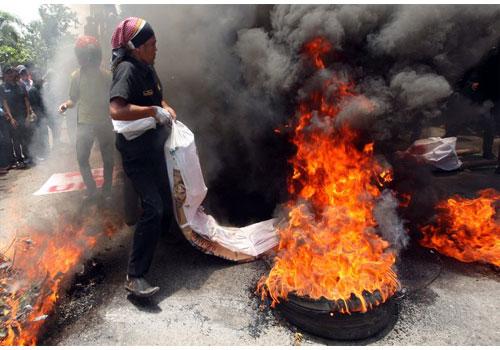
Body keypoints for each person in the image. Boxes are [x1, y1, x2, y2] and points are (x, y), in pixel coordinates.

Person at [109, 17, 177, 297]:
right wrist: (151, 112)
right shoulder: (126, 69)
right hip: (136, 153)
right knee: (153, 206)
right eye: (151, 44)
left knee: (167, 196)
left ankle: (163, 241)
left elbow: (157, 99)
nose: (156, 48)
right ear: (136, 48)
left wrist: (166, 109)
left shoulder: (147, 67)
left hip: (154, 148)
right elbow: (117, 110)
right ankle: (135, 276)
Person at [58, 36, 115, 201]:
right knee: (82, 158)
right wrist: (65, 105)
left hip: (104, 122)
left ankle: (107, 191)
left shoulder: (107, 75)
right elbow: (73, 99)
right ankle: (91, 190)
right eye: (85, 55)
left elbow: (114, 98)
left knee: (108, 159)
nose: (88, 58)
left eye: (91, 54)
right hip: (84, 124)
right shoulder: (75, 76)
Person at [1, 66, 32, 168]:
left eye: (11, 72)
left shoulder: (21, 85)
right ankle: (19, 160)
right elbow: (5, 104)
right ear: (4, 75)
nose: (10, 75)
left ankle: (28, 157)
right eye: (8, 73)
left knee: (25, 138)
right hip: (12, 119)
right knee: (16, 140)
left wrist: (28, 116)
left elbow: (27, 101)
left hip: (23, 116)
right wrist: (11, 118)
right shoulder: (3, 87)